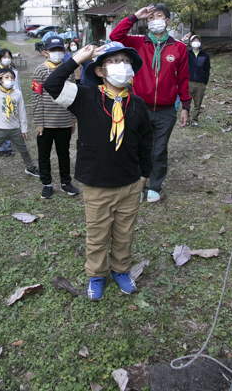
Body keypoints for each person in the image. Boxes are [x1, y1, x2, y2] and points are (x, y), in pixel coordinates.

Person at [44, 41, 152, 301]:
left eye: (125, 61)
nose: (122, 66)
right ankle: (96, 274)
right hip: (97, 182)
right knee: (98, 234)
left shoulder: (137, 104)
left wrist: (144, 174)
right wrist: (77, 59)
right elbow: (52, 85)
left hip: (129, 182)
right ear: (100, 72)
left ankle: (121, 269)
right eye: (114, 62)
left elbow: (146, 141)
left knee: (125, 233)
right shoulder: (85, 97)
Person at [110, 3, 190, 203]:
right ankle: (138, 185)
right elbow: (115, 37)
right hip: (140, 107)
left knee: (159, 149)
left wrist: (186, 107)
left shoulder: (178, 47)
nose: (154, 21)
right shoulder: (138, 43)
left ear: (167, 20)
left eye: (159, 16)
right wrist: (135, 17)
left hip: (166, 110)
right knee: (137, 147)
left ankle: (154, 185)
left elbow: (184, 79)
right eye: (150, 18)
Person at [31, 36, 79, 199]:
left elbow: (73, 96)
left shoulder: (69, 71)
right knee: (44, 154)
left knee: (63, 154)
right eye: (53, 50)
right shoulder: (40, 70)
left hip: (64, 122)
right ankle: (47, 183)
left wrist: (73, 119)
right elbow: (36, 97)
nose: (56, 53)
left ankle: (66, 182)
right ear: (46, 52)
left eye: (59, 50)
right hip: (45, 123)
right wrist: (38, 123)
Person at [187, 35, 210, 127]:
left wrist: (205, 83)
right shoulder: (187, 54)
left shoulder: (205, 55)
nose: (196, 41)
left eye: (197, 40)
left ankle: (195, 120)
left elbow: (207, 70)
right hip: (189, 82)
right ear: (190, 42)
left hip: (200, 82)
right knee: (187, 102)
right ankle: (187, 119)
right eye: (194, 40)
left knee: (198, 102)